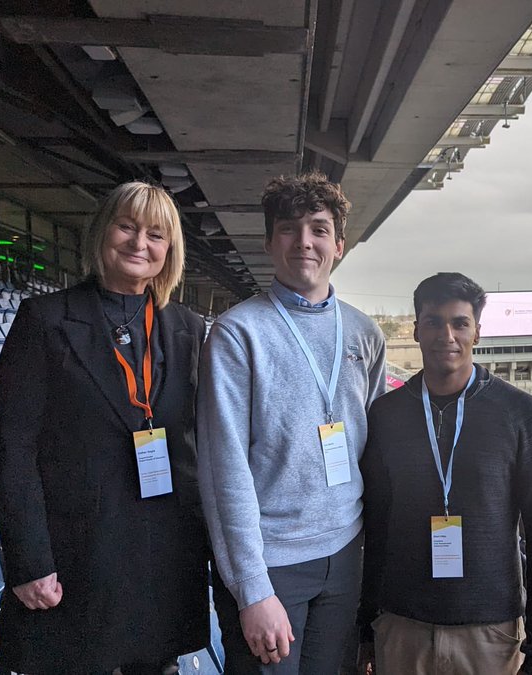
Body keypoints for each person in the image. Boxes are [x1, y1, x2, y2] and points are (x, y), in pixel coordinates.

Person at [0, 181, 209, 674]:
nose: (139, 243)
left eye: (155, 234)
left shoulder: (188, 330)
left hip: (162, 555)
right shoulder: (45, 320)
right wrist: (30, 562)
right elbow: (13, 450)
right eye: (127, 227)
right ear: (103, 232)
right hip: (76, 558)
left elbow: (204, 445)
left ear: (169, 250)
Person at [197, 172, 386, 673]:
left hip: (346, 556)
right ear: (269, 242)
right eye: (289, 228)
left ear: (339, 245)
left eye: (319, 229)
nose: (304, 241)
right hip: (272, 562)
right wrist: (252, 589)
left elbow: (374, 450)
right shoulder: (237, 333)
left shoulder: (365, 333)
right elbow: (224, 470)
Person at [358, 272, 532, 675]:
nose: (447, 335)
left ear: (477, 333)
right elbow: (377, 528)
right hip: (402, 628)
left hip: (490, 634)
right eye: (433, 322)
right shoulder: (386, 415)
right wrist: (367, 626)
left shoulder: (519, 413)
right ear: (416, 330)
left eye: (460, 323)